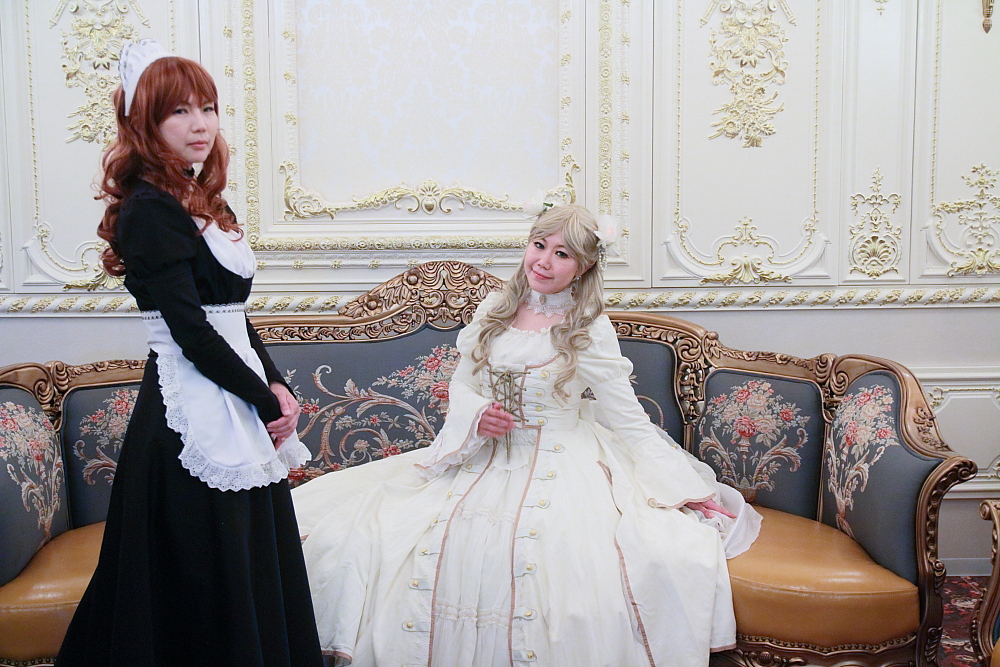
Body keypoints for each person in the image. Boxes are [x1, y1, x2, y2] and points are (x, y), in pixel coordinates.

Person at [292, 203, 762, 666]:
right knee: (363, 534)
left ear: (584, 266)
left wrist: (683, 488)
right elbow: (462, 383)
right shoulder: (496, 308)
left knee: (551, 555)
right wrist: (476, 416)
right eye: (539, 245)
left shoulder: (588, 326)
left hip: (563, 459)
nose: (544, 261)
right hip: (480, 455)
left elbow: (626, 417)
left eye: (562, 254)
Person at [56, 40, 323, 667]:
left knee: (246, 565)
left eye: (207, 107)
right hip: (186, 417)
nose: (199, 123)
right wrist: (265, 402)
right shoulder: (148, 209)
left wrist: (277, 388)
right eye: (179, 111)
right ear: (144, 122)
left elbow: (232, 318)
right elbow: (192, 333)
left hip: (233, 397)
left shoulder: (202, 198)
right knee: (201, 577)